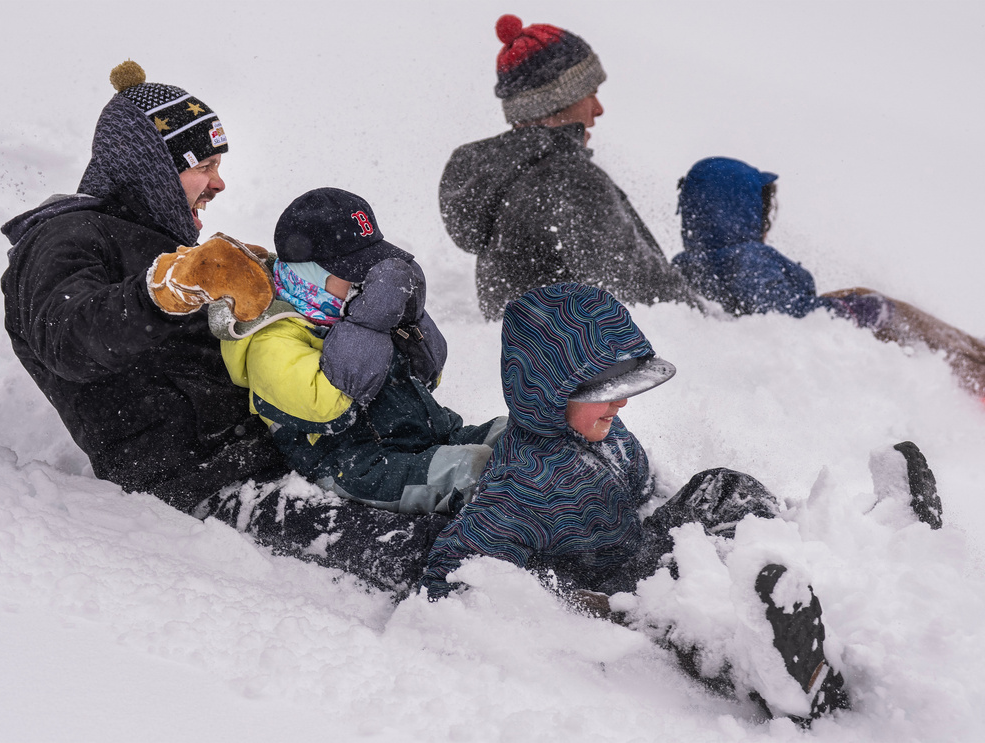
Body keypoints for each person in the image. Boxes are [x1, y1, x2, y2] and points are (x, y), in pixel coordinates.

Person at [0, 62, 462, 593]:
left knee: (445, 477)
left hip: (281, 446)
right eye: (206, 165)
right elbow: (66, 338)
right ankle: (517, 600)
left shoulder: (159, 240)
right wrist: (166, 288)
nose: (220, 182)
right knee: (411, 548)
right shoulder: (62, 238)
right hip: (208, 481)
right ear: (148, 166)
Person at [419, 283, 942, 723]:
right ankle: (777, 671)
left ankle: (856, 536)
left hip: (642, 542)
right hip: (619, 592)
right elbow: (452, 572)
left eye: (626, 384)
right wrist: (562, 600)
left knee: (721, 484)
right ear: (551, 389)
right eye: (607, 388)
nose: (622, 401)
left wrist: (689, 517)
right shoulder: (519, 488)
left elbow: (644, 489)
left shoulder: (604, 431)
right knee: (680, 613)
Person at [209, 187, 506, 516]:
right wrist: (368, 324)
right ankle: (534, 506)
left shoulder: (345, 311)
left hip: (421, 433)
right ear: (310, 274)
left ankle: (556, 465)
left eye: (372, 266)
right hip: (359, 466)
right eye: (354, 271)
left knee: (513, 433)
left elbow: (426, 377)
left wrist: (411, 319)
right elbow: (328, 408)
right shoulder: (272, 341)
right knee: (473, 470)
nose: (367, 280)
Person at [439, 14, 698, 321]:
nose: (598, 110)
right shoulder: (566, 179)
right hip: (587, 363)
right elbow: (647, 294)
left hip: (536, 361)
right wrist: (710, 323)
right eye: (590, 94)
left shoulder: (511, 177)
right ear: (558, 100)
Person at [673, 156, 985, 397]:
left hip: (777, 344)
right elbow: (782, 315)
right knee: (885, 309)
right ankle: (974, 368)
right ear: (743, 212)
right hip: (798, 354)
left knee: (860, 294)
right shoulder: (747, 261)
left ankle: (972, 354)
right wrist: (856, 310)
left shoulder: (689, 264)